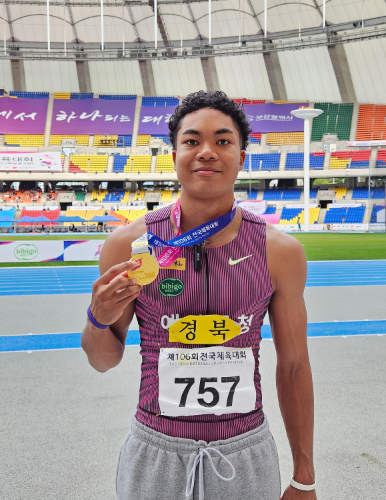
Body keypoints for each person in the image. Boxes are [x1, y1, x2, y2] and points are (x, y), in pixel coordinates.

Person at [81, 91, 316, 500]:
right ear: (174, 154)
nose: (206, 152)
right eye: (192, 141)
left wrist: (304, 474)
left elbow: (294, 365)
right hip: (155, 452)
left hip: (245, 453)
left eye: (223, 141)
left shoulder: (279, 252)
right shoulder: (128, 246)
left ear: (242, 157)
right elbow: (104, 361)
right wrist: (98, 318)